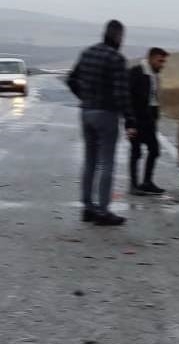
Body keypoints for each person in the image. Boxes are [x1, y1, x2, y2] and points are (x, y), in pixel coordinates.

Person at [67, 20, 136, 226]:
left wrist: (84, 98)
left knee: (90, 161)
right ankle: (103, 210)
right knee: (107, 162)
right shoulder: (116, 59)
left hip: (86, 112)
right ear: (119, 37)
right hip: (106, 115)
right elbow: (122, 94)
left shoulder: (87, 53)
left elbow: (71, 79)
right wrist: (130, 121)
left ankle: (87, 207)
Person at [128, 47, 169, 195]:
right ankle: (133, 185)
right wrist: (130, 123)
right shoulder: (137, 72)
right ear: (151, 58)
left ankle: (147, 182)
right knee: (136, 151)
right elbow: (127, 98)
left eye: (163, 61)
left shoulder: (155, 75)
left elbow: (153, 98)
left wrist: (155, 116)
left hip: (149, 118)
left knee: (154, 150)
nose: (162, 64)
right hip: (136, 118)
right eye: (160, 61)